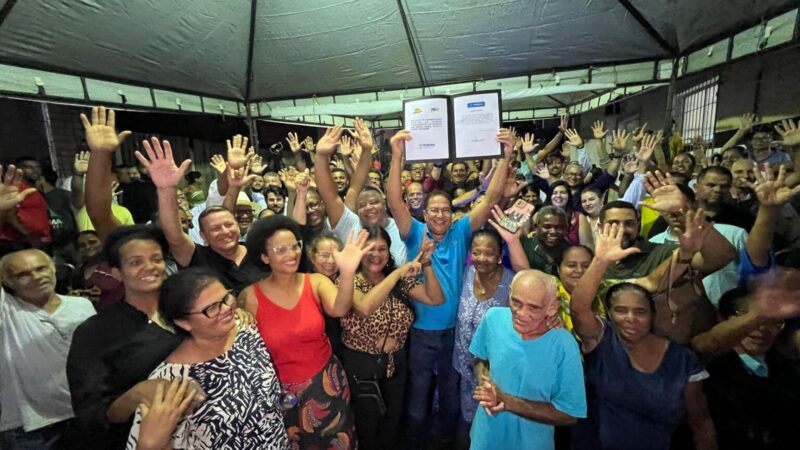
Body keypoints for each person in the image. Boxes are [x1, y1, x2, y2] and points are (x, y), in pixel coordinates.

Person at [387, 128, 514, 449]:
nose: (440, 214)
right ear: (425, 214)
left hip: (455, 334)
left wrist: (506, 155)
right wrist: (397, 156)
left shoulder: (460, 231)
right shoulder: (413, 232)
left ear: (451, 213)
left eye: (445, 209)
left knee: (453, 399)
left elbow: (491, 198)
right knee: (418, 400)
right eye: (434, 210)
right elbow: (393, 201)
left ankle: (446, 443)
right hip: (420, 334)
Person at [569, 222, 717, 450]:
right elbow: (579, 309)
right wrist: (600, 261)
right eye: (620, 310)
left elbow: (700, 419)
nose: (630, 317)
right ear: (609, 314)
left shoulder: (681, 359)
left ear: (652, 315)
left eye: (640, 311)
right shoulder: (602, 340)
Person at [239, 215, 370, 449]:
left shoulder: (316, 281)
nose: (292, 254)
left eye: (295, 246)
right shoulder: (250, 297)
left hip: (327, 382)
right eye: (281, 249)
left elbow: (340, 308)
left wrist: (348, 273)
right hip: (280, 392)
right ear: (264, 256)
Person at [125, 268, 288, 450]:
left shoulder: (245, 328)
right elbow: (149, 442)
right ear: (183, 323)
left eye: (226, 298)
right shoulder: (170, 382)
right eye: (211, 308)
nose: (226, 309)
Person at [67, 225, 184, 449]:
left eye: (156, 259)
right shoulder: (95, 331)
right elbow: (90, 413)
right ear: (116, 272)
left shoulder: (186, 310)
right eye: (135, 262)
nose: (150, 267)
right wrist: (134, 396)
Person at [338, 225, 443, 450]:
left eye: (382, 249)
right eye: (370, 249)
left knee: (393, 424)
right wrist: (396, 273)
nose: (376, 255)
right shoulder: (348, 281)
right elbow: (365, 307)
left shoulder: (400, 281)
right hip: (362, 366)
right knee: (366, 426)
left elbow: (435, 298)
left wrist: (426, 264)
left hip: (396, 363)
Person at [469, 270, 587, 450]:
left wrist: (507, 401)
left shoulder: (564, 345)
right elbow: (480, 358)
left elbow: (569, 414)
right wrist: (484, 382)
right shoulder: (493, 318)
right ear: (509, 292)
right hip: (484, 439)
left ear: (552, 307)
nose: (522, 313)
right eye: (516, 302)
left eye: (533, 307)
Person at [140, 134, 267, 294]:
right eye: (215, 229)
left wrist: (234, 187)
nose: (225, 232)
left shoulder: (260, 253)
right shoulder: (199, 257)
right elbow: (174, 235)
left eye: (229, 225)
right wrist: (167, 189)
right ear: (203, 235)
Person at [0, 248, 95, 449]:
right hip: (30, 428)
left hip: (85, 414)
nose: (35, 276)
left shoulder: (82, 305)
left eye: (41, 268)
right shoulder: (5, 310)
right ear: (6, 282)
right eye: (23, 274)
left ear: (53, 268)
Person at [691, 279, 800, 450]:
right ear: (723, 320)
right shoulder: (707, 366)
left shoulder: (789, 370)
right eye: (748, 318)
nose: (761, 328)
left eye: (773, 321)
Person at [315, 119, 408, 265]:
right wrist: (321, 157)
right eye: (362, 205)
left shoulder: (401, 226)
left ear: (385, 205)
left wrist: (367, 150)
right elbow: (330, 197)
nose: (369, 207)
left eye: (374, 202)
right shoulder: (351, 225)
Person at [452, 230, 515, 438]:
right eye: (476, 252)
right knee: (464, 420)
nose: (482, 259)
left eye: (489, 253)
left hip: (493, 370)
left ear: (500, 256)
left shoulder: (512, 284)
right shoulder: (465, 272)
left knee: (490, 420)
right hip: (461, 365)